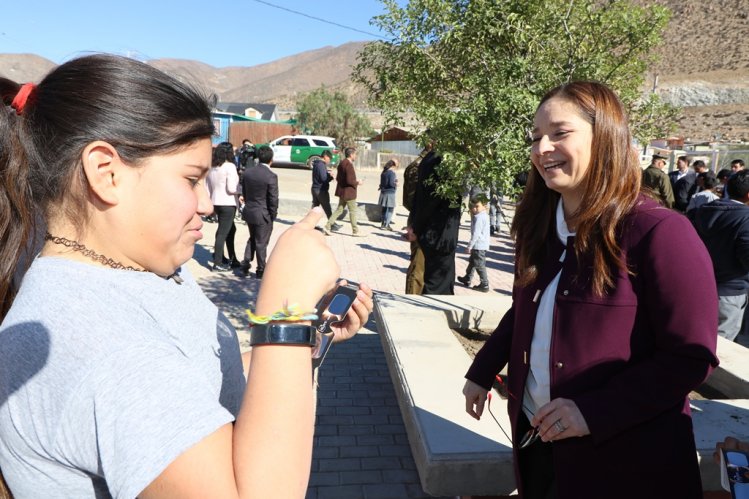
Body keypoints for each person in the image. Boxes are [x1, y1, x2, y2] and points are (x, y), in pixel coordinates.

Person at [0, 54, 374, 498]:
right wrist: (284, 314)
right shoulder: (104, 346)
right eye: (191, 179)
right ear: (106, 173)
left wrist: (303, 342)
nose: (204, 203)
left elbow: (197, 383)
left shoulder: (135, 274)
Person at [462, 81, 718, 499]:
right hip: (538, 445)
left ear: (606, 137)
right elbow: (526, 309)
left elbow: (690, 356)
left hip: (625, 462)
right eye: (535, 137)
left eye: (560, 133)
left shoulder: (660, 232)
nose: (542, 148)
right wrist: (483, 368)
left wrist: (594, 412)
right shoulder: (540, 229)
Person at [694, 170, 749, 342]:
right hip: (728, 293)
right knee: (719, 348)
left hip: (698, 286)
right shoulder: (745, 219)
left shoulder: (704, 210)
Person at [409, 145, 461, 295]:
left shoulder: (433, 158)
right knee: (438, 284)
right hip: (439, 234)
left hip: (436, 233)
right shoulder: (440, 159)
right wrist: (416, 227)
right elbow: (429, 200)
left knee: (442, 279)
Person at [239, 145, 278, 279]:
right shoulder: (271, 176)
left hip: (250, 211)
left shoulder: (248, 172)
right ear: (271, 159)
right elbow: (273, 199)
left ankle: (245, 263)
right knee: (261, 242)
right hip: (263, 213)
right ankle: (261, 269)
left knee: (252, 239)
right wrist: (272, 215)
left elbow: (244, 192)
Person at [402, 143, 432, 294]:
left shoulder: (419, 164)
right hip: (419, 221)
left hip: (420, 219)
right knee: (418, 268)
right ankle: (411, 301)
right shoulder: (419, 167)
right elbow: (411, 201)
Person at [206, 141, 240, 272]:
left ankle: (232, 259)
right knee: (223, 232)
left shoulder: (213, 167)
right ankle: (217, 262)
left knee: (230, 230)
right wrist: (242, 190)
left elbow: (208, 187)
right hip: (227, 203)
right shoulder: (229, 166)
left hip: (216, 202)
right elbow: (232, 188)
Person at [322, 147, 364, 237]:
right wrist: (358, 182)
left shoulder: (342, 163)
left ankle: (327, 226)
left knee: (339, 210)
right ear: (351, 154)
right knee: (352, 211)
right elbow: (350, 181)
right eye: (355, 154)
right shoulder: (348, 164)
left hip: (342, 192)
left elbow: (339, 178)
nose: (356, 156)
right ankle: (355, 231)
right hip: (349, 193)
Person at [457, 194, 490, 292]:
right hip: (480, 244)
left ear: (484, 206)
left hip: (479, 245)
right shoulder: (482, 215)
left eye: (477, 206)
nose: (474, 209)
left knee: (479, 265)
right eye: (473, 207)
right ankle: (467, 278)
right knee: (472, 262)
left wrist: (469, 246)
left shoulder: (479, 218)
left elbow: (476, 234)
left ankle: (484, 284)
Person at [310, 149, 338, 229]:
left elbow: (320, 176)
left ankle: (311, 224)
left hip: (315, 189)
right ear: (325, 157)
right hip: (321, 190)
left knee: (315, 208)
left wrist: (326, 173)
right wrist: (330, 176)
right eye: (329, 158)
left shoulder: (316, 164)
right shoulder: (321, 165)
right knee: (327, 208)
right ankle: (332, 224)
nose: (329, 161)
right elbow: (323, 178)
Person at [377, 158, 399, 230]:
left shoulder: (383, 172)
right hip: (390, 193)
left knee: (384, 208)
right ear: (393, 166)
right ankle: (387, 224)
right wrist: (396, 184)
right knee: (390, 209)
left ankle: (383, 224)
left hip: (383, 192)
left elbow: (382, 183)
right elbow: (391, 183)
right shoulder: (391, 173)